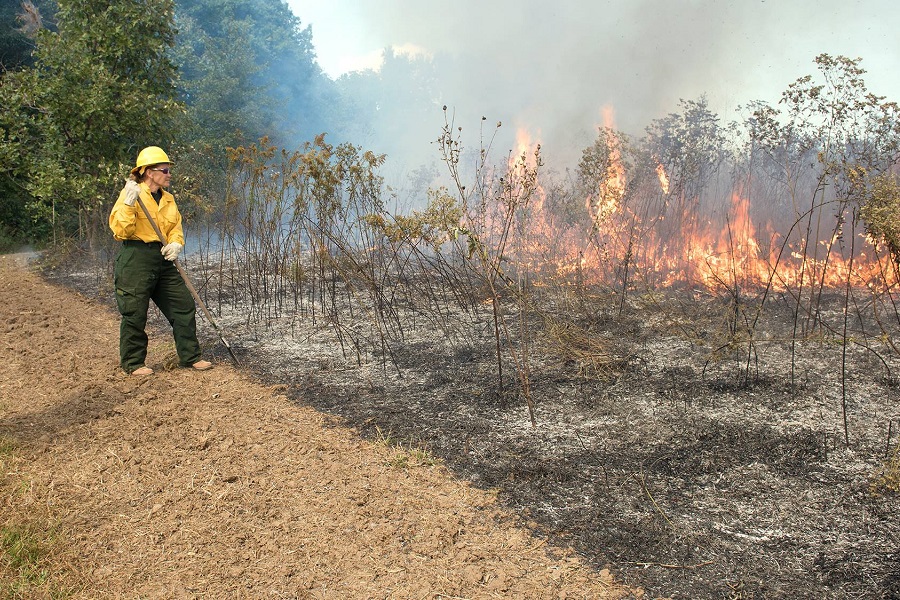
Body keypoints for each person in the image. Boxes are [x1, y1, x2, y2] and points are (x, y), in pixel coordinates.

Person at [108, 146, 213, 376]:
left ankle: (190, 357)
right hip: (136, 257)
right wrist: (127, 204)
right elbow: (121, 231)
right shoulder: (132, 194)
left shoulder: (168, 199)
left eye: (168, 170)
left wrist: (176, 244)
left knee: (183, 305)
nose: (169, 174)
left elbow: (175, 227)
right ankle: (134, 363)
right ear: (148, 172)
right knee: (134, 312)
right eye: (164, 170)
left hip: (163, 259)